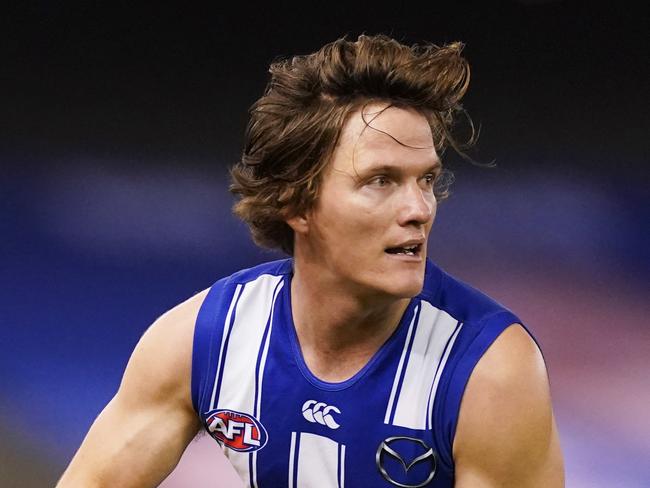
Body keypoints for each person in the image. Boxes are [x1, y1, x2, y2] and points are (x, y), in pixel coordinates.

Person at [57, 34, 564, 487]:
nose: (419, 210)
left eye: (426, 179)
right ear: (296, 203)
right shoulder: (204, 341)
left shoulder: (489, 370)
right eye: (381, 180)